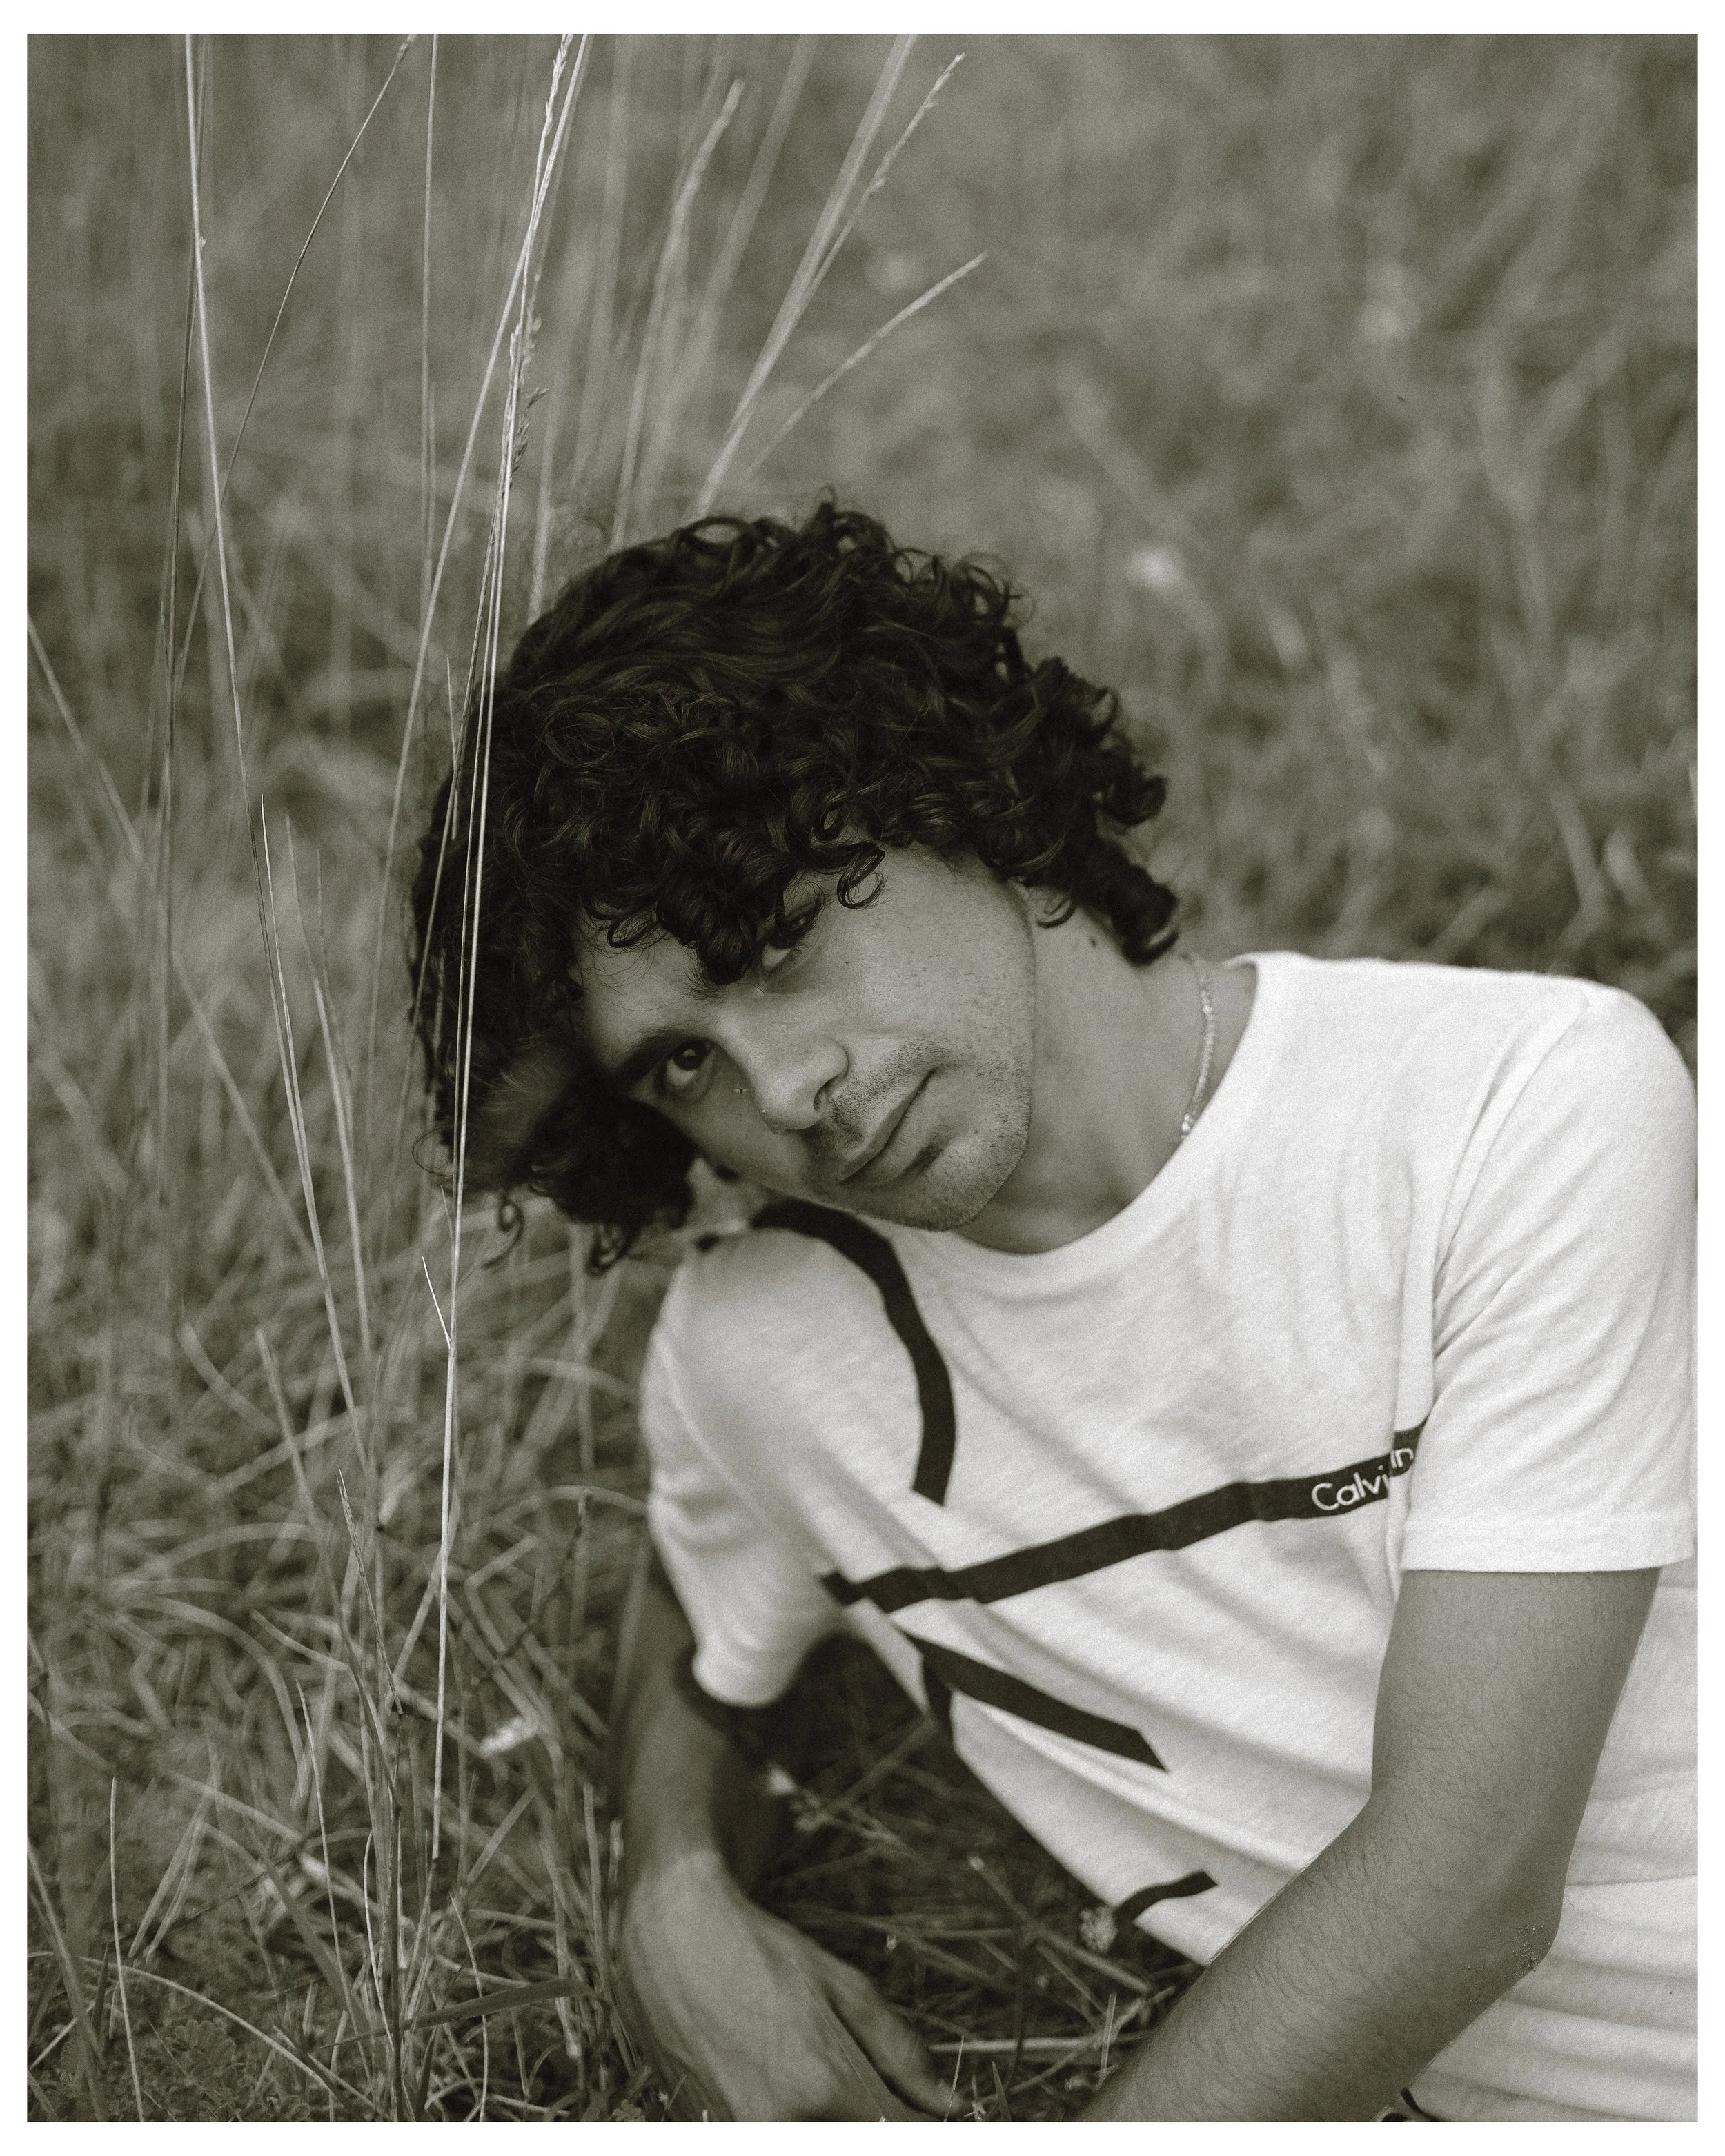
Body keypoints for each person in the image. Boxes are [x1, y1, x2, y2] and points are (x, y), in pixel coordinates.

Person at [409, 502, 1696, 2122]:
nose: (784, 1089)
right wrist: (668, 1884)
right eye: (681, 1061)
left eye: (775, 940)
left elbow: (1466, 1882)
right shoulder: (770, 1357)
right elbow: (694, 1589)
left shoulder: (1514, 1109)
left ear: (942, 792)